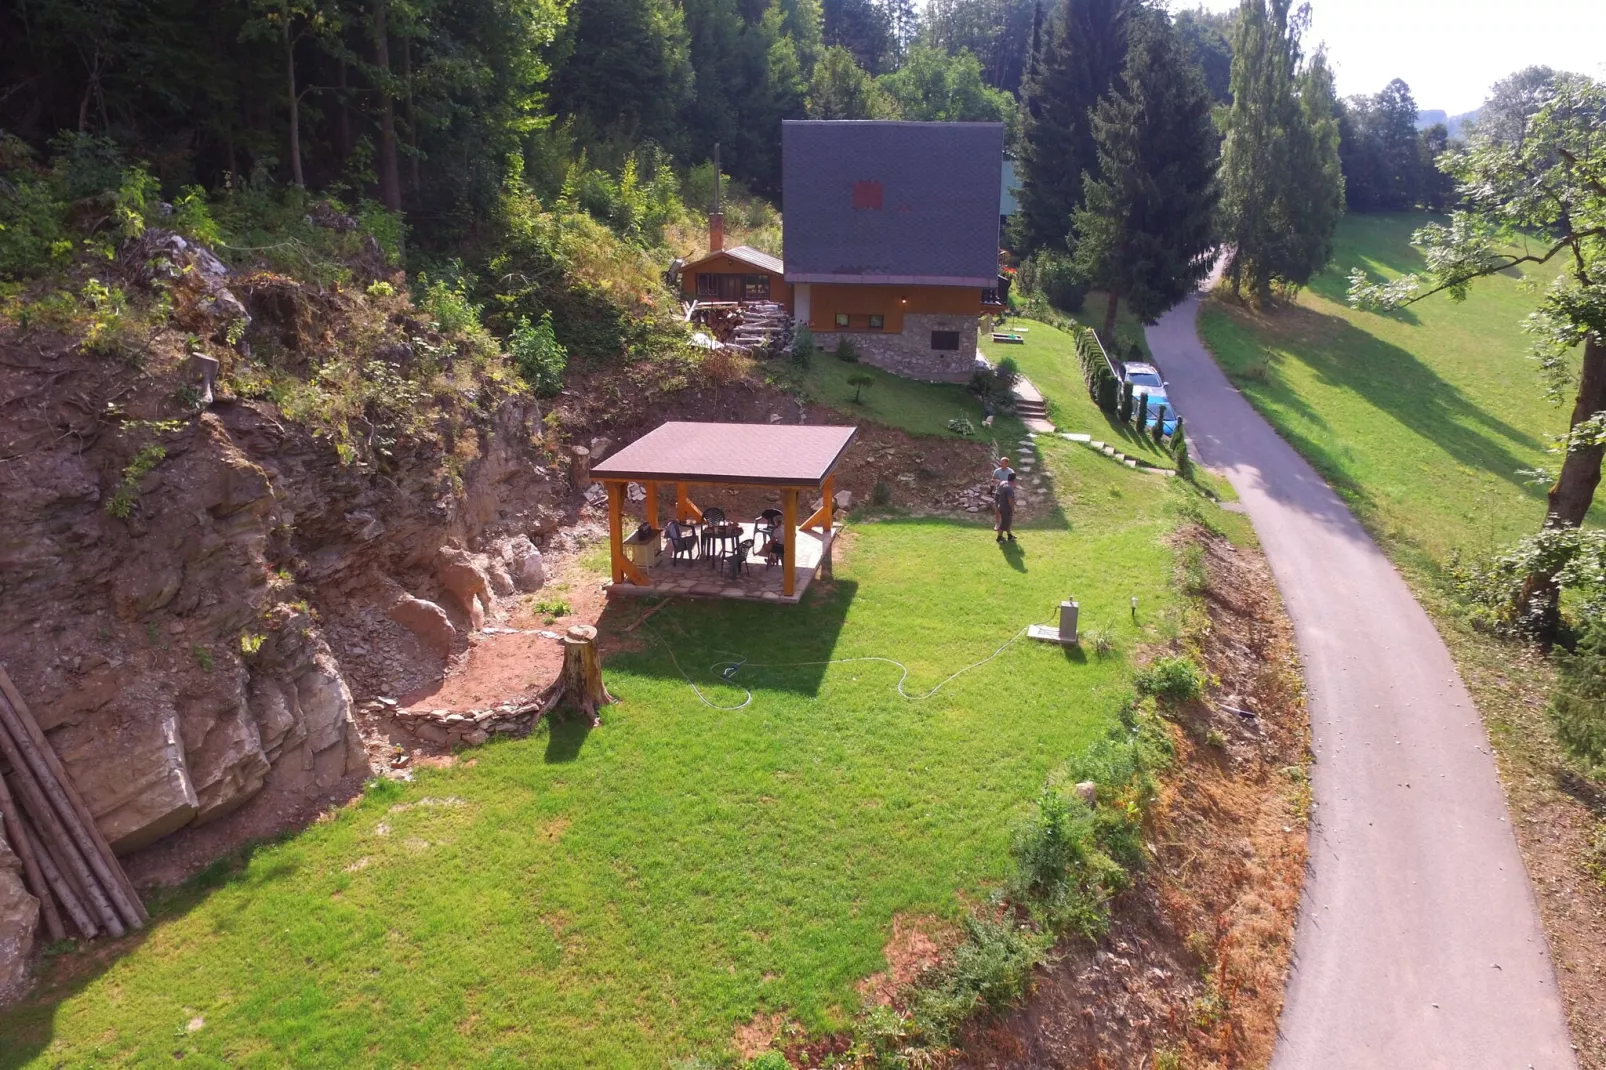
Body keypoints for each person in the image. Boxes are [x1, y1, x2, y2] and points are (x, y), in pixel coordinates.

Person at [994, 472, 1017, 542]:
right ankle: (999, 538)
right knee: (1004, 524)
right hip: (1006, 508)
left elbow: (998, 494)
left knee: (1007, 522)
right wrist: (1012, 509)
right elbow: (1010, 500)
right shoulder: (1009, 488)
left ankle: (1009, 536)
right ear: (1014, 480)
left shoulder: (1004, 484)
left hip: (1001, 506)